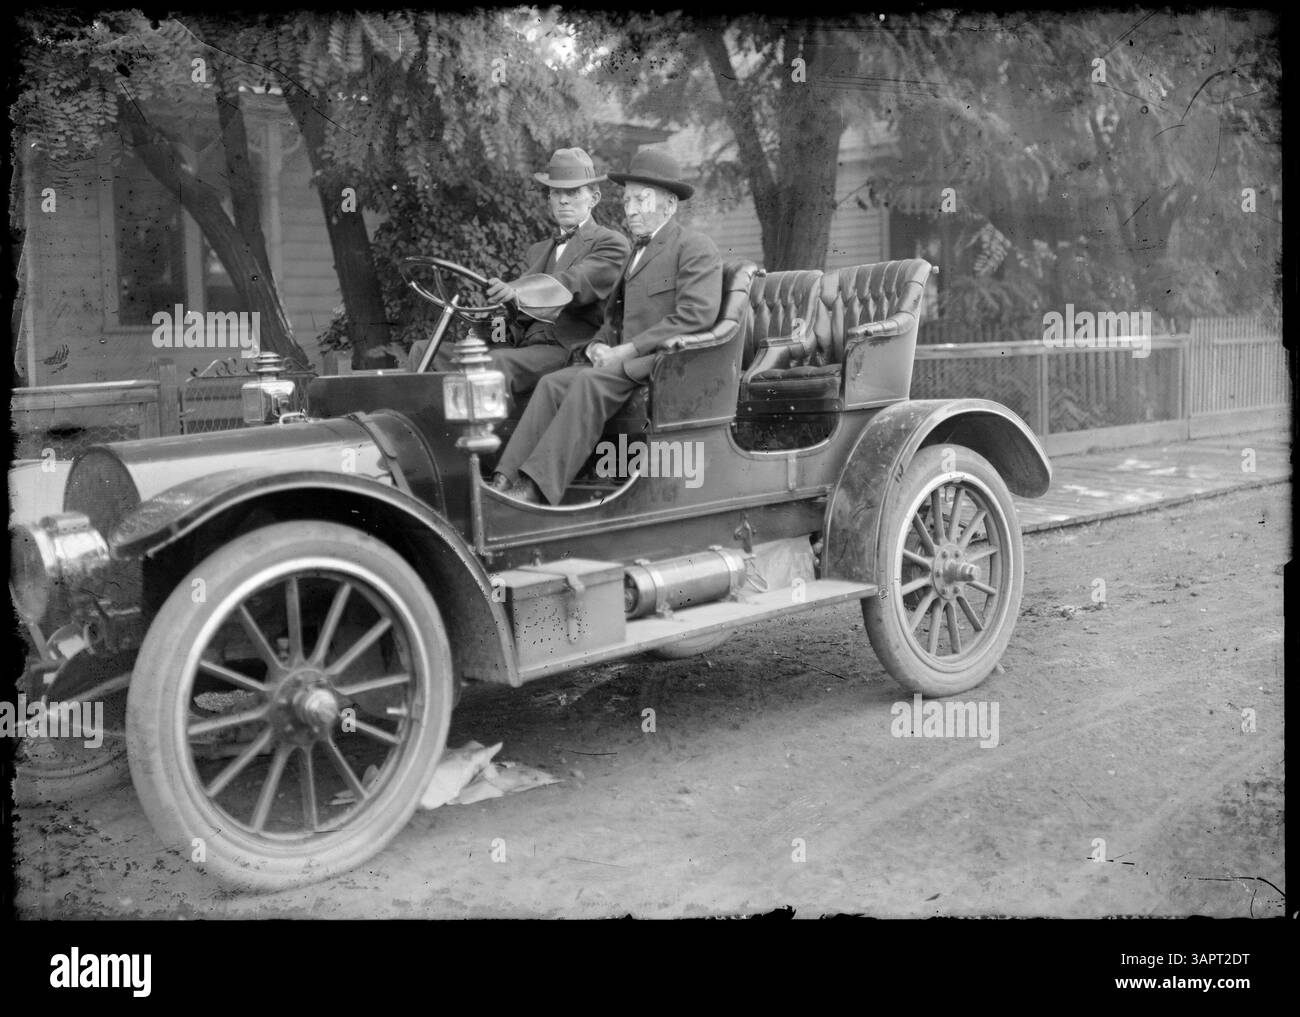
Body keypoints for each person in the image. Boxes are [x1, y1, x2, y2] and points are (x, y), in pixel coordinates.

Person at [491, 148, 722, 505]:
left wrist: (628, 350)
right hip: (621, 363)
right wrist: (597, 345)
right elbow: (613, 317)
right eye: (627, 199)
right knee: (553, 383)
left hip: (662, 364)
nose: (629, 209)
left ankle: (535, 490)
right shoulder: (635, 252)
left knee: (586, 382)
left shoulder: (693, 247)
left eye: (640, 199)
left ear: (670, 204)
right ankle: (504, 479)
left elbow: (696, 316)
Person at [408, 148, 629, 397]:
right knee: (425, 350)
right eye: (556, 192)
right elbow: (517, 317)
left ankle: (482, 434)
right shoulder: (538, 251)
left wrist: (516, 290)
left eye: (573, 192)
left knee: (495, 364)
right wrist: (485, 329)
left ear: (594, 198)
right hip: (522, 347)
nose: (563, 200)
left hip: (567, 350)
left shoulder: (610, 243)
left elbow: (573, 282)